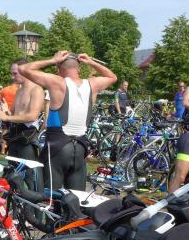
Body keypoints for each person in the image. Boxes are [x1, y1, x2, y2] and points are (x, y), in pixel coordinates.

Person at [19, 50, 117, 190]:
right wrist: (91, 62)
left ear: (59, 69)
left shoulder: (57, 82)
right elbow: (112, 77)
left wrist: (52, 60)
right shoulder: (92, 84)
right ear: (79, 68)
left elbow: (23, 69)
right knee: (76, 198)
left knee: (50, 196)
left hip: (57, 147)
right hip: (80, 148)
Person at [0, 60, 45, 190]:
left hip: (27, 140)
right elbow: (13, 114)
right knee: (12, 176)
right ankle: (15, 201)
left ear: (25, 71)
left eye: (15, 73)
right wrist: (5, 110)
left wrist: (7, 116)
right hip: (15, 138)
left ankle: (35, 203)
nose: (12, 77)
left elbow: (32, 116)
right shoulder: (19, 90)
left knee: (31, 179)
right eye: (12, 73)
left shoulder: (37, 90)